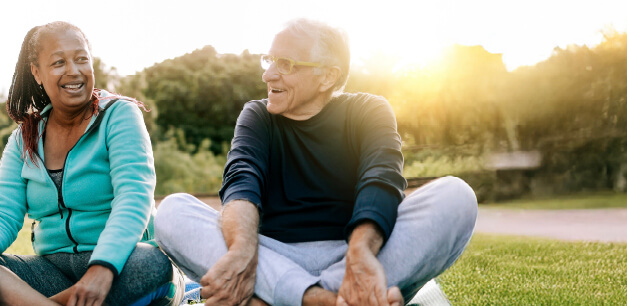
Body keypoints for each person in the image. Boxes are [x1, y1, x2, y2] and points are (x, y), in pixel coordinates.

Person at [154, 19, 479, 306]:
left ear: (327, 77)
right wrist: (242, 251)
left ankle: (273, 298)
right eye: (269, 60)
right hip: (268, 254)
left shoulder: (369, 109)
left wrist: (360, 254)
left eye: (286, 63)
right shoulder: (257, 115)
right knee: (172, 212)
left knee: (456, 197)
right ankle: (328, 300)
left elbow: (381, 180)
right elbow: (241, 181)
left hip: (350, 252)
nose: (268, 74)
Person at [0, 21, 175, 306]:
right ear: (36, 72)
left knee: (153, 263)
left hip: (120, 262)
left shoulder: (120, 115)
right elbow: (4, 211)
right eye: (59, 62)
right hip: (54, 271)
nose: (74, 71)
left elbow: (133, 197)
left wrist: (103, 266)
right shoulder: (24, 139)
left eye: (82, 59)